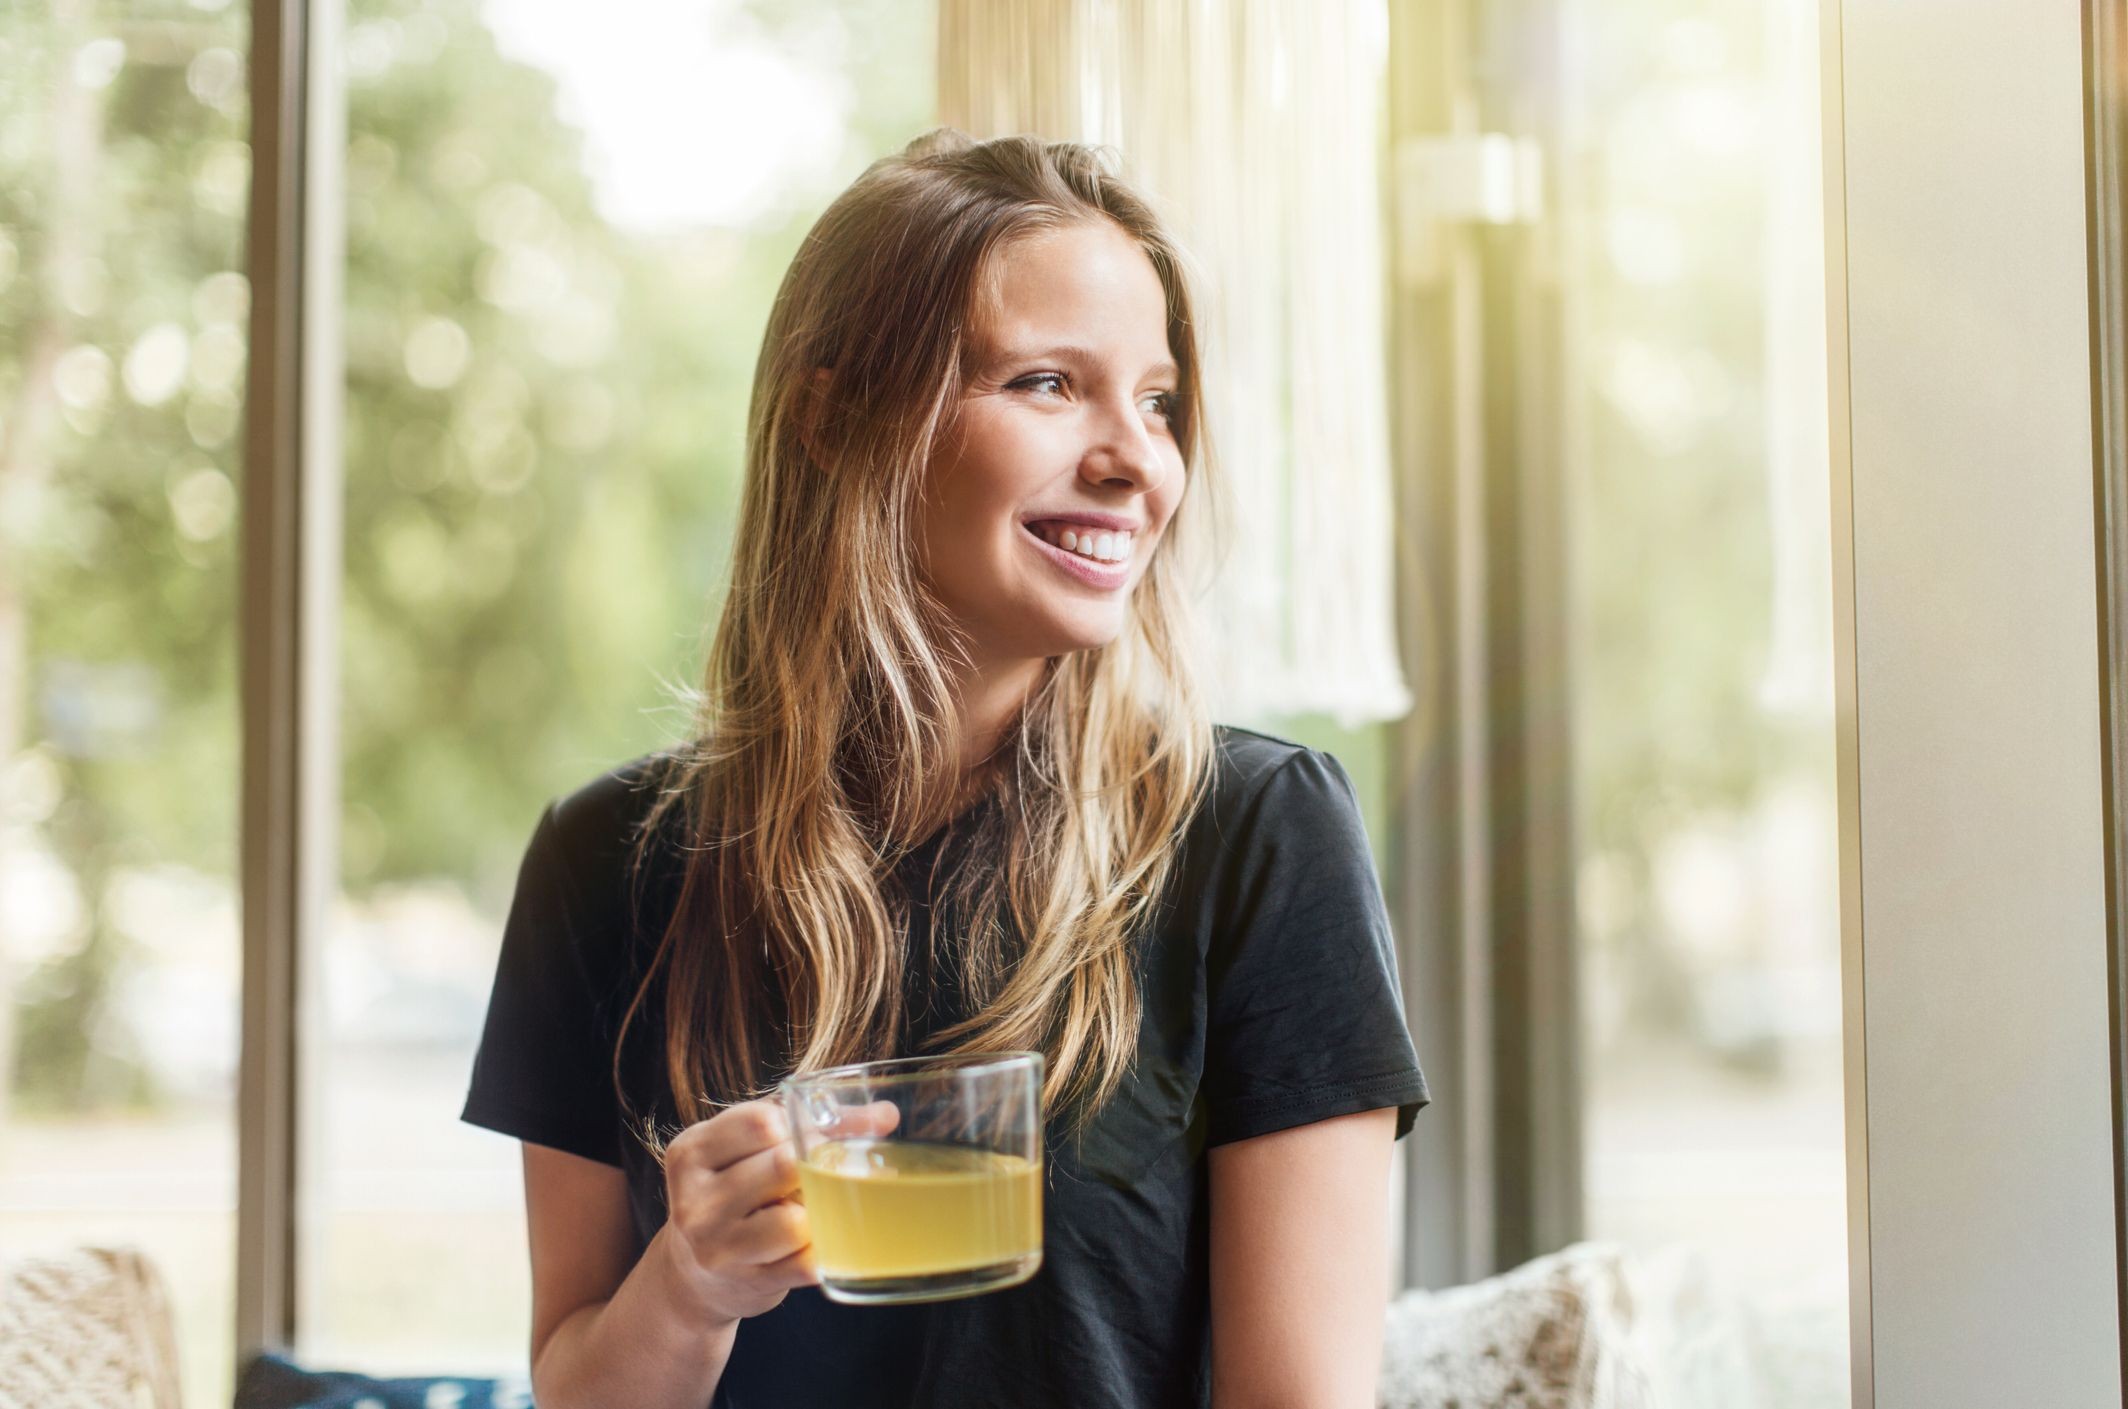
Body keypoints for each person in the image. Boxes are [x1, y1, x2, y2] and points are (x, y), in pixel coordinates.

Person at [460, 127, 1431, 1409]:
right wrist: (687, 1286)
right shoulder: (607, 861)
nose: (1136, 461)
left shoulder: (1253, 835)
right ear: (833, 418)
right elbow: (573, 1387)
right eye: (1045, 383)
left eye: (1155, 399)